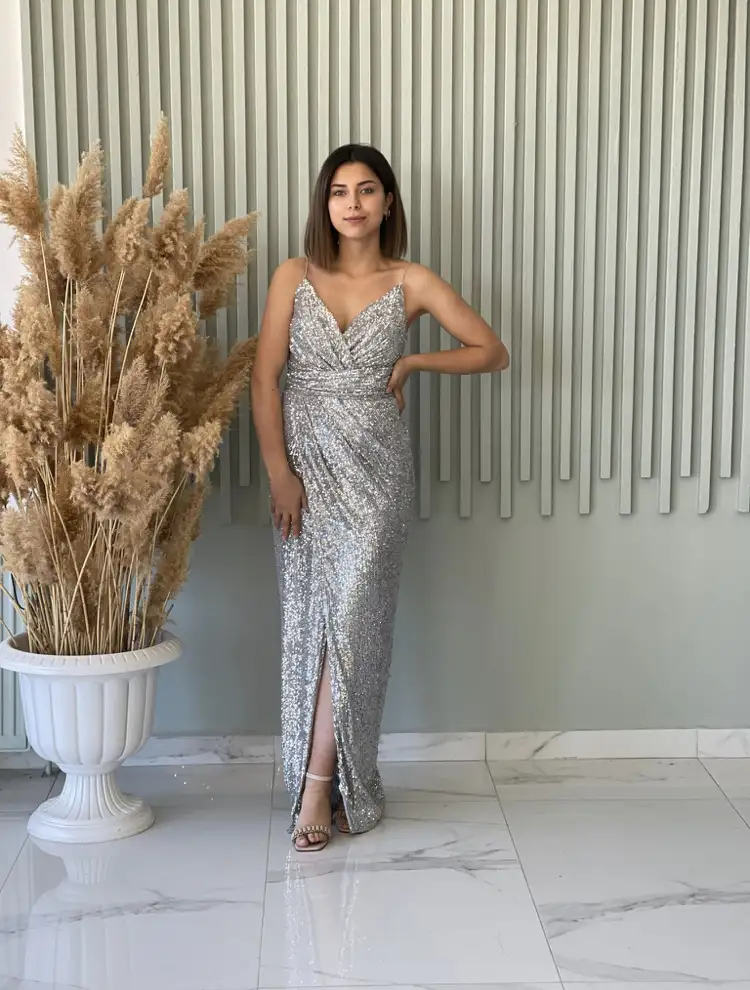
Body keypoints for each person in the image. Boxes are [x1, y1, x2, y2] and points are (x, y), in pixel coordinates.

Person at [251, 144, 509, 853]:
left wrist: (415, 359)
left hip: (376, 474)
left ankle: (318, 789)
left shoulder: (411, 280)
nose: (353, 203)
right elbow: (265, 379)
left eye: (367, 190)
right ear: (324, 203)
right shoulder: (292, 276)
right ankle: (335, 782)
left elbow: (492, 350)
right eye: (339, 191)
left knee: (356, 620)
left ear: (388, 202)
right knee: (313, 621)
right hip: (304, 470)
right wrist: (278, 472)